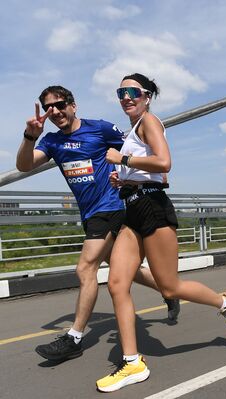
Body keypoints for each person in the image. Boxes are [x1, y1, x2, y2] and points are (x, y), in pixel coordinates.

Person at [95, 73, 226, 392]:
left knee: (170, 286)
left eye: (132, 91)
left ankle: (224, 302)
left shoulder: (150, 120)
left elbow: (164, 163)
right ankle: (132, 362)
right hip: (133, 208)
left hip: (153, 209)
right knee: (117, 282)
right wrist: (125, 180)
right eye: (121, 92)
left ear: (147, 96)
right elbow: (147, 171)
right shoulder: (133, 131)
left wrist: (122, 159)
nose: (126, 97)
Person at [15, 86, 179, 363]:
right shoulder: (52, 141)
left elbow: (137, 148)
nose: (54, 111)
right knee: (120, 268)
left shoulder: (100, 129)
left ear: (74, 105)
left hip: (111, 206)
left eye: (60, 104)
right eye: (48, 108)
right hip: (90, 213)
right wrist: (30, 136)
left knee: (86, 266)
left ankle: (74, 338)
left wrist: (152, 178)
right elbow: (24, 165)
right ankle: (169, 291)